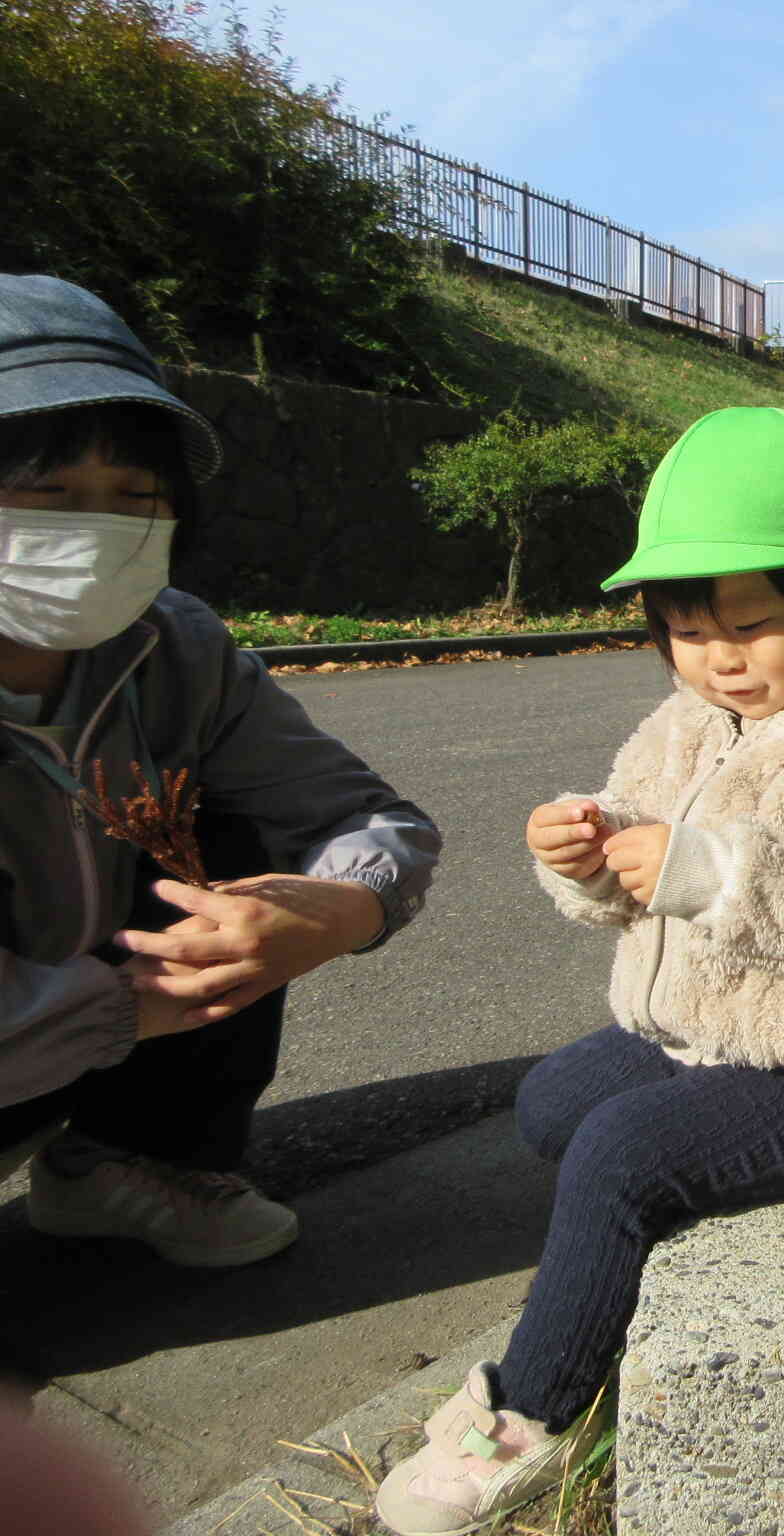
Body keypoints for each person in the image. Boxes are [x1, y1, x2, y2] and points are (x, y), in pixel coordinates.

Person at [374, 407, 784, 1535]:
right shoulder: (686, 722)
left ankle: (535, 1415)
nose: (719, 660)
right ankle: (615, 1251)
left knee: (618, 1153)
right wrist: (590, 857)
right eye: (686, 633)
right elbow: (630, 871)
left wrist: (705, 871)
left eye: (750, 625)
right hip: (703, 1027)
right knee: (551, 1099)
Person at [0, 274, 441, 1267]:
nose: (98, 529)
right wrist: (139, 1005)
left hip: (87, 1031)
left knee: (240, 839)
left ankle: (123, 1161)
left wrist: (335, 909)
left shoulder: (173, 652)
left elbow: (368, 817)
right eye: (53, 495)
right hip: (84, 1023)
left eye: (132, 497)